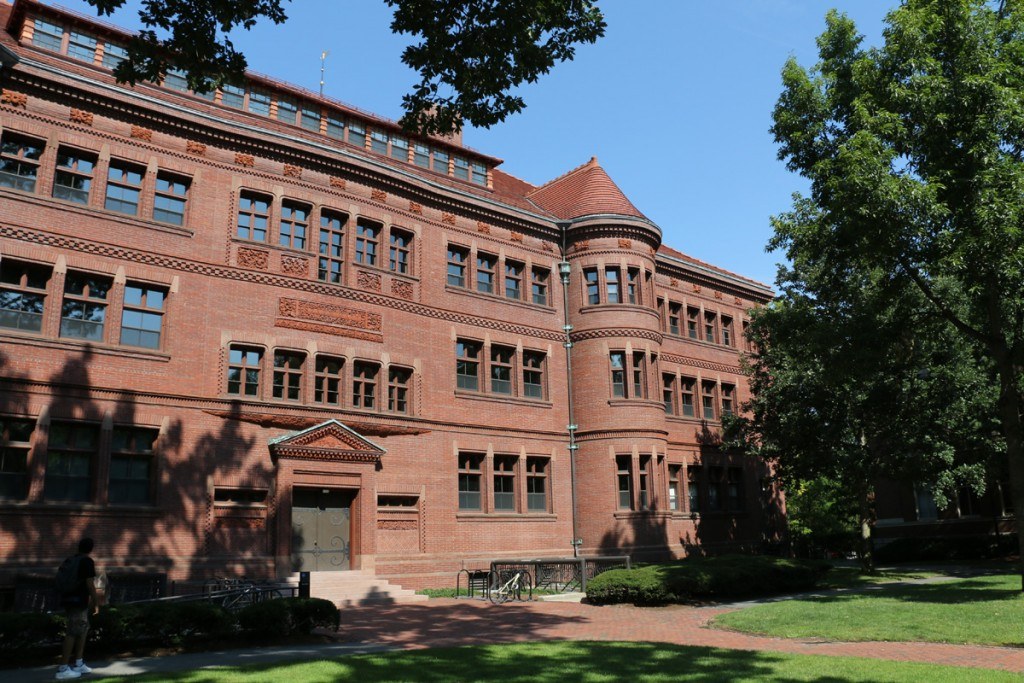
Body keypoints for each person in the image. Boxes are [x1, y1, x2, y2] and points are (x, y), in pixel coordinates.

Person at [55, 538, 98, 680]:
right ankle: (63, 669)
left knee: (82, 629)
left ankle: (78, 663)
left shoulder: (71, 560)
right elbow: (90, 584)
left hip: (68, 599)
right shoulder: (87, 562)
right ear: (91, 549)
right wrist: (96, 602)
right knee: (73, 632)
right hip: (78, 601)